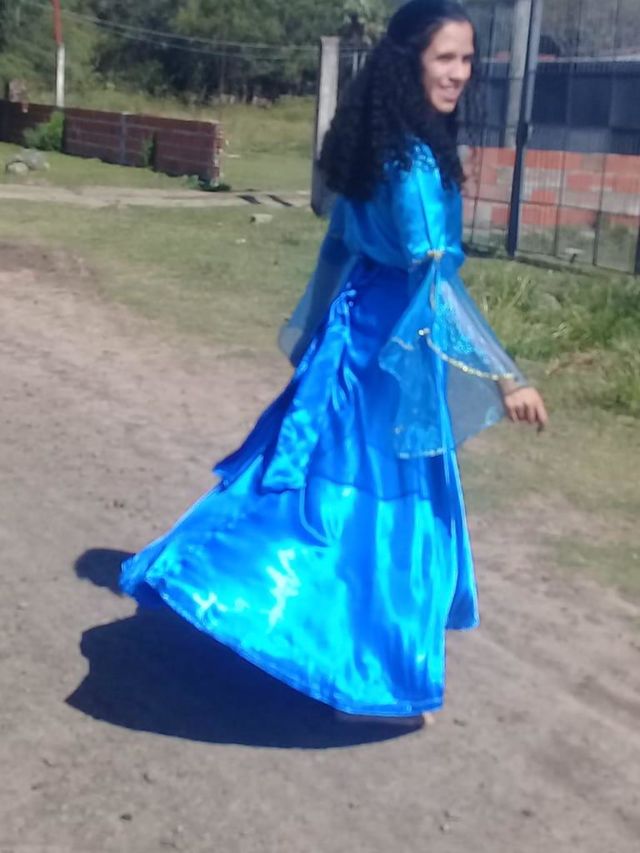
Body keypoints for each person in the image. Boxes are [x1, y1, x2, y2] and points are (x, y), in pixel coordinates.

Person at [121, 0, 547, 729]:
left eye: (469, 59)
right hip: (389, 351)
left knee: (324, 487)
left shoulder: (377, 145)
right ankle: (360, 664)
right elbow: (434, 282)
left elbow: (339, 247)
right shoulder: (413, 163)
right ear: (410, 62)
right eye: (445, 58)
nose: (460, 73)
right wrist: (507, 375)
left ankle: (277, 614)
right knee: (380, 504)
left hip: (355, 338)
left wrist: (317, 337)